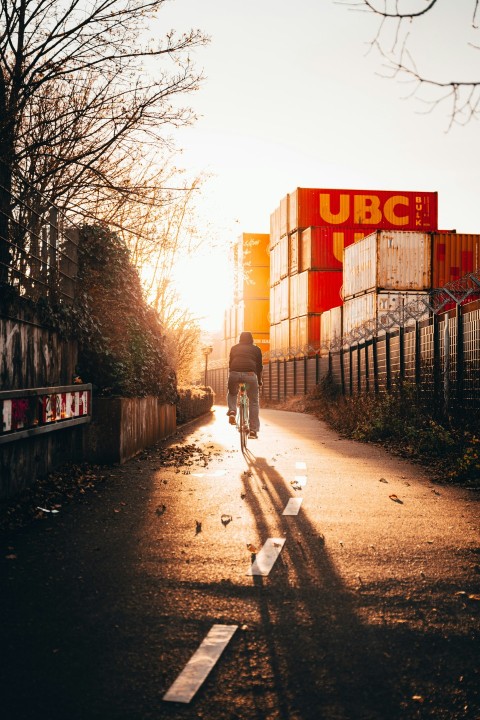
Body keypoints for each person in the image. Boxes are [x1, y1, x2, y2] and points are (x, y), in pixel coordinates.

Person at [226, 331, 263, 439]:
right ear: (251, 339)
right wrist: (259, 381)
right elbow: (259, 367)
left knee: (232, 393)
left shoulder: (234, 348)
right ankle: (253, 431)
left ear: (240, 339)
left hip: (234, 374)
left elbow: (230, 364)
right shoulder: (256, 349)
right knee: (253, 401)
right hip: (250, 376)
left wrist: (233, 376)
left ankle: (232, 410)